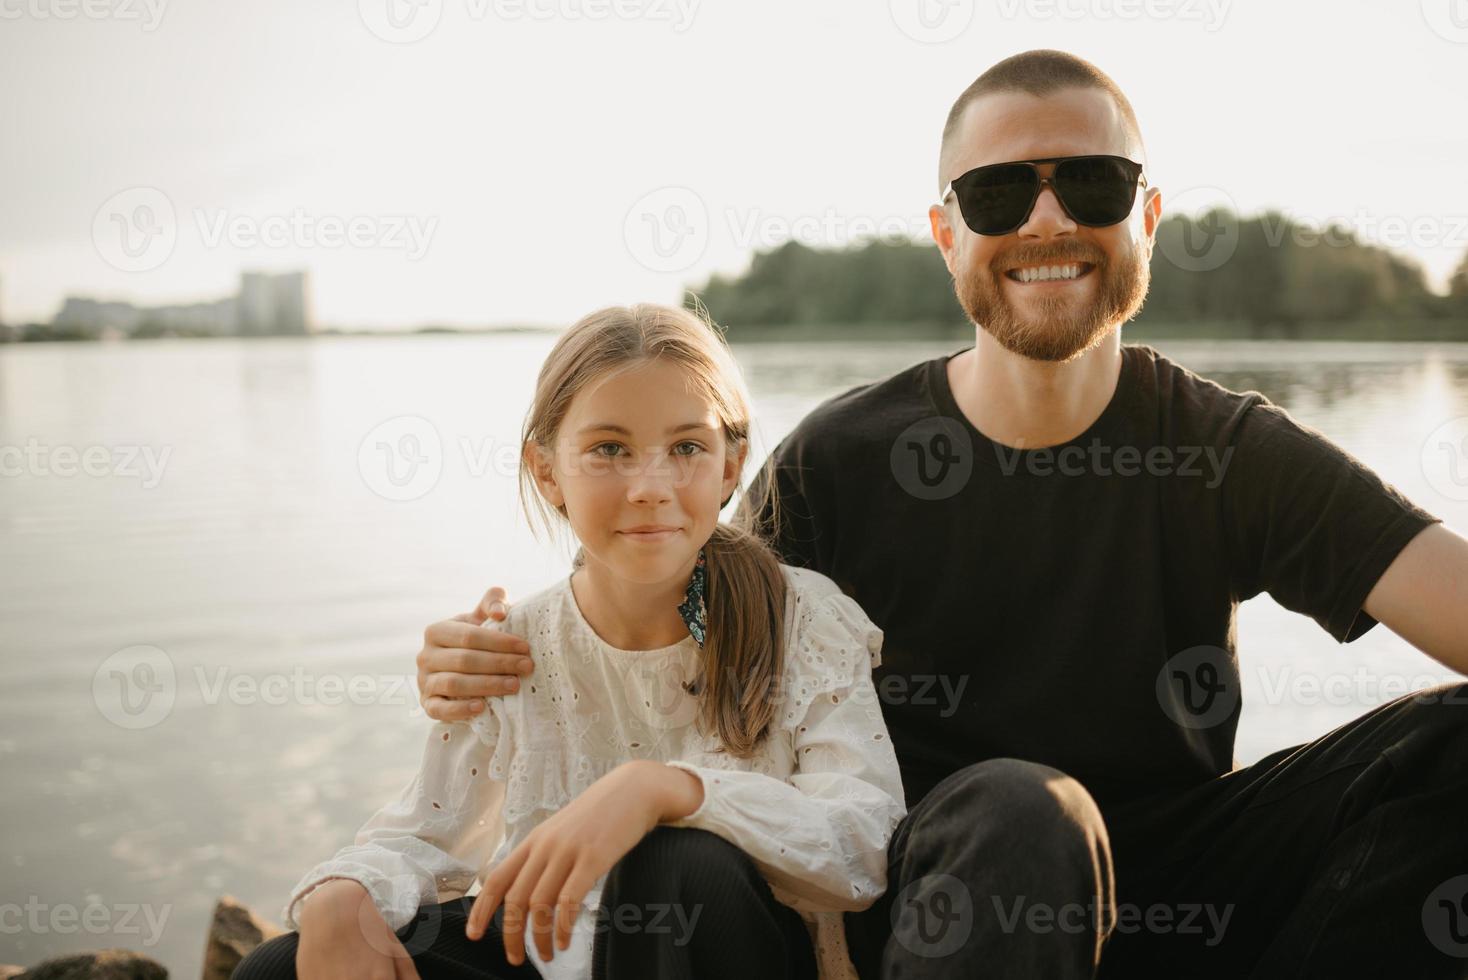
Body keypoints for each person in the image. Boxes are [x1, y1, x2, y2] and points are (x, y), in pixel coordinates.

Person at [414, 51, 1468, 979]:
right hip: (928, 895)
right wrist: (499, 655)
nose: (1047, 219)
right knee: (1020, 807)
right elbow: (667, 631)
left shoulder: (1224, 446)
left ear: (1144, 216)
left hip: (1189, 883)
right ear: (945, 233)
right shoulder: (839, 459)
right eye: (1000, 190)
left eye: (1091, 182)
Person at [233, 303, 906, 980]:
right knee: (277, 966)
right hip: (548, 954)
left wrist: (669, 791)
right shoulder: (515, 645)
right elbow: (424, 835)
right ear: (547, 471)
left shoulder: (804, 618)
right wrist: (338, 898)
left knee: (675, 861)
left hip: (725, 950)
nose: (650, 487)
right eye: (609, 450)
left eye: (687, 448)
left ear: (731, 467)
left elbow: (862, 848)